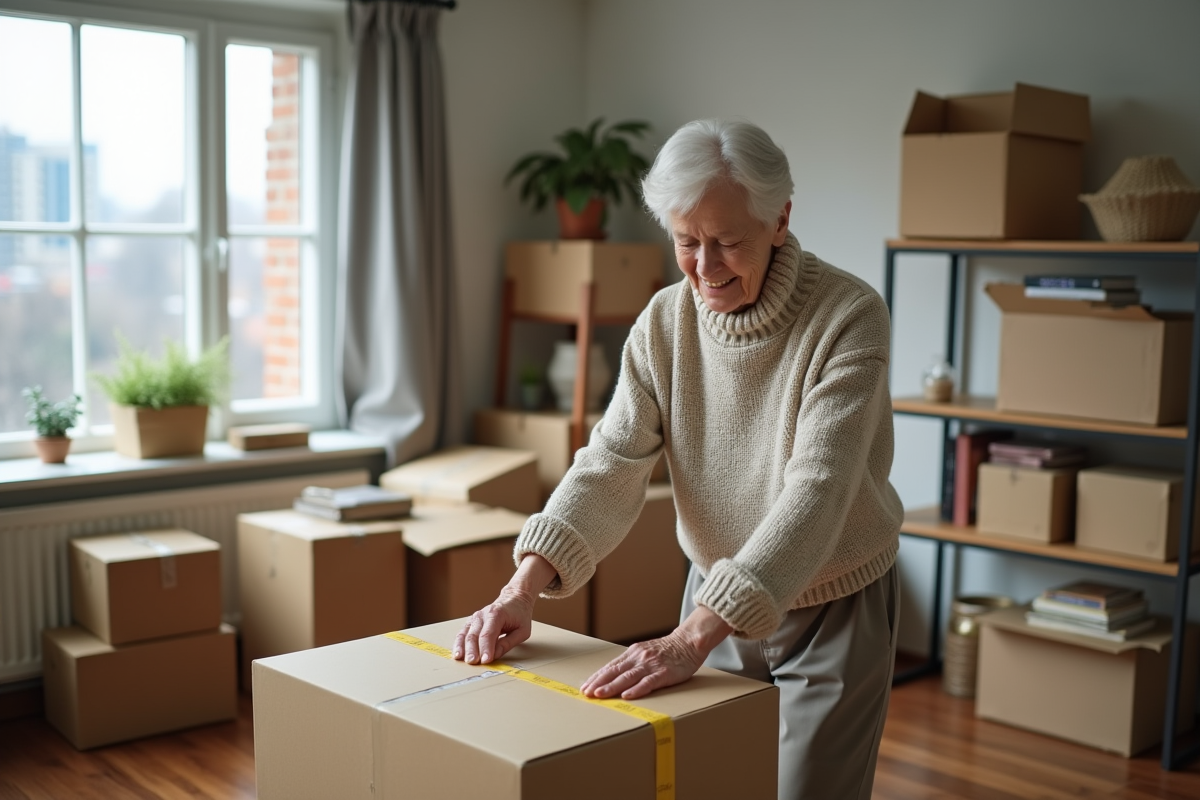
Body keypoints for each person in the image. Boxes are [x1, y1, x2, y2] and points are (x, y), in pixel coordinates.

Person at [455, 119, 903, 800]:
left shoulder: (849, 318)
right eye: (687, 242)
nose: (705, 266)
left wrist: (690, 638)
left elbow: (819, 491)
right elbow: (611, 461)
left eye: (728, 242)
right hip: (713, 594)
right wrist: (522, 589)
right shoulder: (664, 322)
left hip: (832, 603)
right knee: (711, 783)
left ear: (780, 220)